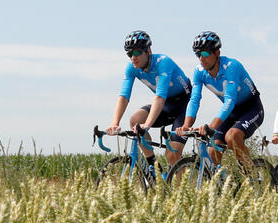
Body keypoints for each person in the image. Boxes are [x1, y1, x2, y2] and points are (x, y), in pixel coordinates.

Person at [107, 31, 192, 180]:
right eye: (129, 54)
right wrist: (115, 123)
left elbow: (159, 97)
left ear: (148, 51)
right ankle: (154, 167)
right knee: (135, 120)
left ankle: (180, 191)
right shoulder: (132, 67)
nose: (133, 57)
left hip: (183, 105)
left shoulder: (163, 62)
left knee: (172, 154)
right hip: (166, 104)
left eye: (137, 52)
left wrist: (147, 124)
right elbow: (124, 96)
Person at [179, 31, 263, 169]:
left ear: (217, 53)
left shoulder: (232, 66)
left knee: (232, 137)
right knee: (213, 150)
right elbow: (194, 99)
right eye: (198, 54)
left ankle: (252, 175)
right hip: (232, 113)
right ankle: (223, 181)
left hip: (252, 109)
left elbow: (230, 100)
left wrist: (212, 126)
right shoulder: (199, 71)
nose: (201, 58)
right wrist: (186, 125)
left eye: (205, 53)